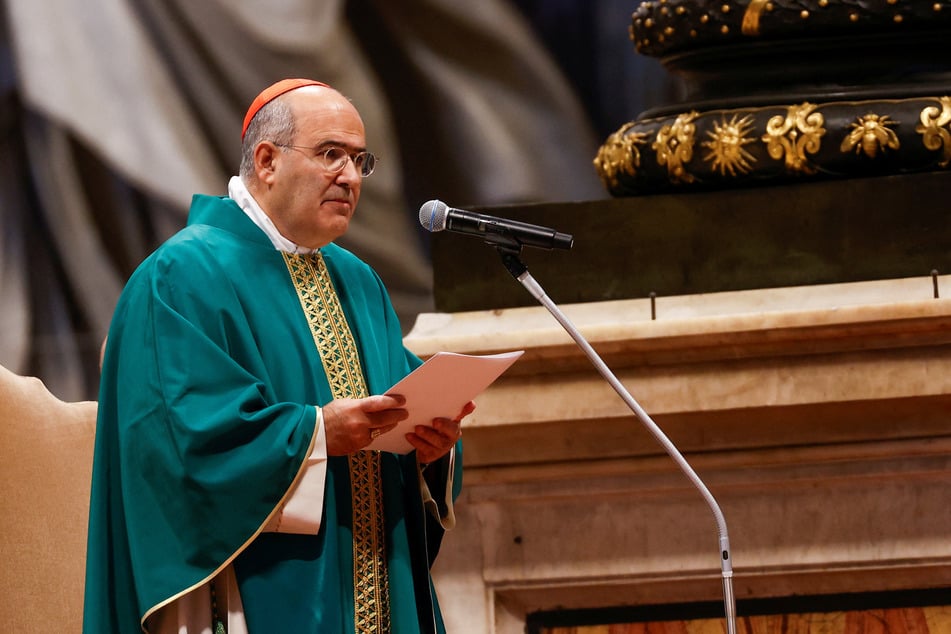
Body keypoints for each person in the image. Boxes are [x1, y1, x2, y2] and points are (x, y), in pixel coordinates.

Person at [83, 79, 472, 634]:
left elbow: (402, 394)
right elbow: (179, 443)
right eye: (331, 154)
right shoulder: (181, 276)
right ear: (266, 161)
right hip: (256, 589)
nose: (351, 176)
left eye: (361, 160)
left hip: (375, 582)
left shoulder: (357, 281)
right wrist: (317, 435)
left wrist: (433, 449)